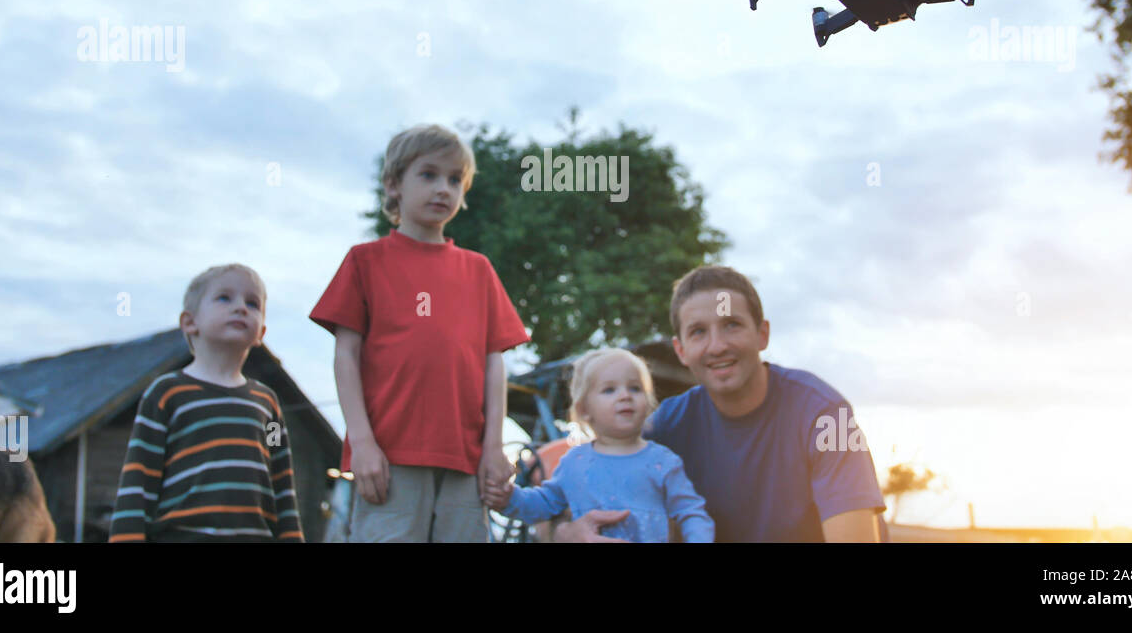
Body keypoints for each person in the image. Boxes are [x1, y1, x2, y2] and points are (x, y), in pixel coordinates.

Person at [310, 124, 529, 542]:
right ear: (394, 184)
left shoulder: (479, 270)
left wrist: (493, 448)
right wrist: (362, 443)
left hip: (465, 460)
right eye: (428, 174)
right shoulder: (364, 262)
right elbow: (346, 357)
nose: (443, 188)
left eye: (454, 180)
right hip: (390, 457)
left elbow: (493, 364)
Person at [557, 265, 887, 543]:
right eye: (699, 332)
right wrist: (566, 533)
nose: (717, 346)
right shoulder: (667, 425)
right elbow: (578, 491)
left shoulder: (827, 415)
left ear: (762, 334)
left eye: (732, 325)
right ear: (681, 350)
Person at [109, 264, 304, 542]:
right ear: (190, 322)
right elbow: (137, 479)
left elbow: (282, 480)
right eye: (225, 297)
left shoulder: (269, 406)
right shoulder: (165, 394)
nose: (241, 308)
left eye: (253, 303)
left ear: (261, 332)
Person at [485, 348, 713, 543]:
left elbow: (691, 512)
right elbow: (543, 503)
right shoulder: (574, 463)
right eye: (609, 390)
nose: (625, 396)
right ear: (584, 410)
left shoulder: (663, 461)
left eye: (635, 388)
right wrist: (509, 498)